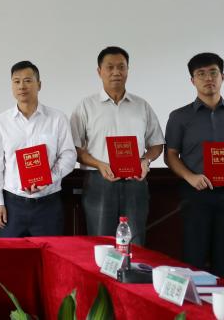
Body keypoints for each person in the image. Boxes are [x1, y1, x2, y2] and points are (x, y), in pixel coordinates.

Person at [165, 52, 224, 280]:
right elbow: (170, 155)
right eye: (201, 74)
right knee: (193, 260)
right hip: (195, 194)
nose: (208, 78)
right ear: (192, 80)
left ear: (222, 77)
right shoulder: (179, 117)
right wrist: (190, 177)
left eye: (213, 72)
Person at [70, 46, 165, 246]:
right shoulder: (86, 106)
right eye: (110, 67)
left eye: (121, 67)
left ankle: (133, 269)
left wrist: (145, 160)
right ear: (99, 71)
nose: (116, 72)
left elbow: (157, 143)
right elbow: (75, 149)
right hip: (99, 181)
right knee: (101, 242)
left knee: (136, 243)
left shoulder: (141, 105)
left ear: (128, 70)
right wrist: (99, 164)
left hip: (135, 181)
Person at [0, 61, 76, 237]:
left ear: (39, 85)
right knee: (11, 253)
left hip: (48, 203)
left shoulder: (57, 119)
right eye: (16, 81)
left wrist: (48, 178)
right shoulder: (1, 121)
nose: (22, 86)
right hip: (12, 204)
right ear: (12, 86)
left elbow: (69, 155)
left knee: (50, 252)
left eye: (28, 80)